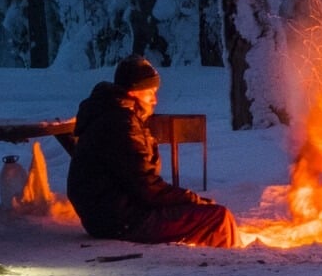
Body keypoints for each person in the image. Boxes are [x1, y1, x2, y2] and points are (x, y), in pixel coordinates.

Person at [66, 55, 238, 248]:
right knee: (218, 217)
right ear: (133, 92)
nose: (154, 100)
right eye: (150, 92)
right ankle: (229, 265)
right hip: (122, 219)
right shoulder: (120, 123)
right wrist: (191, 199)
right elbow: (146, 186)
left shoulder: (116, 116)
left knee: (205, 213)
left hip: (112, 213)